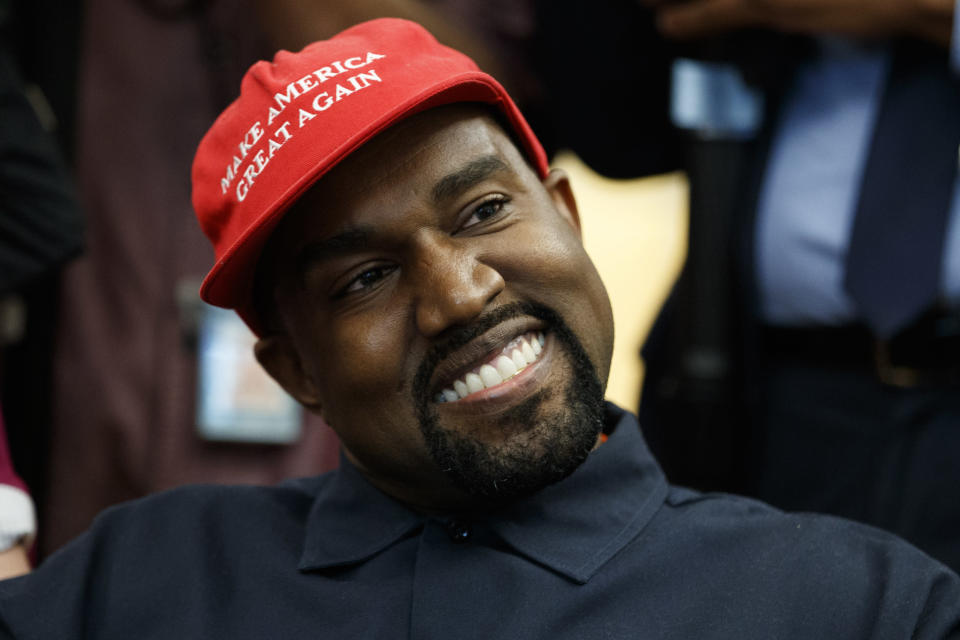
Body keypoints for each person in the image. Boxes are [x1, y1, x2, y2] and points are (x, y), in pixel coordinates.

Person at [0, 18, 958, 638]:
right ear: (294, 369)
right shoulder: (142, 585)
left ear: (569, 218)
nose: (457, 294)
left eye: (485, 211)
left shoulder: (858, 607)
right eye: (367, 277)